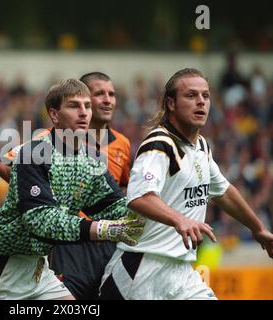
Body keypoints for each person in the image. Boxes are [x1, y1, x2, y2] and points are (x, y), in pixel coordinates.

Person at [99, 68, 273, 300]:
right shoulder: (159, 144)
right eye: (191, 96)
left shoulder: (201, 146)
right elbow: (139, 198)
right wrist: (179, 220)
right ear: (171, 103)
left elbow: (223, 191)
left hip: (181, 272)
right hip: (141, 268)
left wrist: (258, 228)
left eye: (205, 96)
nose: (201, 102)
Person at [0, 79, 143, 300]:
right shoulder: (33, 154)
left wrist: (159, 213)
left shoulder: (92, 160)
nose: (84, 113)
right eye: (74, 106)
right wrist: (103, 229)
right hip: (3, 265)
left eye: (87, 105)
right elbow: (39, 220)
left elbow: (116, 207)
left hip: (38, 268)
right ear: (54, 115)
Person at [49, 72, 131, 300]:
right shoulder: (57, 139)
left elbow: (123, 190)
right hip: (73, 242)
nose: (107, 100)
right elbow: (8, 166)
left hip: (109, 241)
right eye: (99, 94)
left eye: (111, 94)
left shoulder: (122, 144)